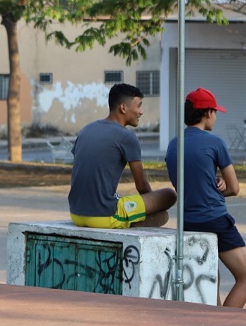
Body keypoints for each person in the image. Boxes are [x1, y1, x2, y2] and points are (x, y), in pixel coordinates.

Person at [165, 88, 246, 308]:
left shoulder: (173, 144)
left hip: (187, 222)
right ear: (207, 113)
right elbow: (234, 188)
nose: (216, 117)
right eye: (215, 112)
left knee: (210, 278)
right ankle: (224, 323)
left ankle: (213, 324)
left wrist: (211, 182)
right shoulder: (215, 143)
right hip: (214, 219)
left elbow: (187, 182)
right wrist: (221, 188)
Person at [68, 82, 176, 228]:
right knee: (169, 196)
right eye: (138, 106)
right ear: (123, 108)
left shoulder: (86, 130)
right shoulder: (127, 137)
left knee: (158, 215)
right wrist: (152, 204)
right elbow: (142, 186)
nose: (141, 111)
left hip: (76, 213)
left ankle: (128, 219)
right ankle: (126, 221)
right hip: (104, 216)